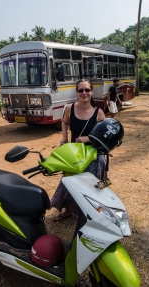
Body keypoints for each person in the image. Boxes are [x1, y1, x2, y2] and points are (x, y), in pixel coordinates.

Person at [51, 79, 106, 222]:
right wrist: (64, 137)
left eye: (87, 90)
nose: (84, 93)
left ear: (92, 92)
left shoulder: (99, 113)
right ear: (76, 92)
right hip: (75, 154)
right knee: (70, 182)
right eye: (80, 90)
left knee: (90, 186)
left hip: (92, 155)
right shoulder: (70, 108)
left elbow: (105, 135)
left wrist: (88, 138)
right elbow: (64, 121)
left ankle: (89, 212)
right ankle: (69, 210)